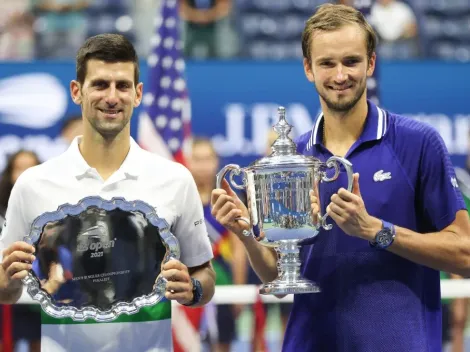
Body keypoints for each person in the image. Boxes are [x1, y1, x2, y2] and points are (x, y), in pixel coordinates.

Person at [211, 4, 470, 352]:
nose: (340, 75)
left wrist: (376, 230)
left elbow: (465, 255)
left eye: (351, 61)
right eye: (327, 63)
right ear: (308, 68)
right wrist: (246, 233)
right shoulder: (292, 158)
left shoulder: (418, 143)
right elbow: (280, 279)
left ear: (371, 63)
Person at [0, 33, 216, 352]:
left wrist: (193, 289)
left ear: (138, 94)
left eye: (122, 86)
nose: (112, 97)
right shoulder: (33, 184)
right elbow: (8, 292)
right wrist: (7, 279)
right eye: (100, 84)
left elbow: (203, 275)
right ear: (77, 91)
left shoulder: (175, 179)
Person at [187, 137, 246, 352]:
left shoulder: (227, 200)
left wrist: (239, 292)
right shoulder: (181, 200)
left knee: (222, 345)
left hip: (223, 284)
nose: (202, 165)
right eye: (197, 159)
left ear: (216, 162)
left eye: (207, 159)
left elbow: (239, 251)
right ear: (188, 162)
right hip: (188, 285)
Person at [0, 150, 41, 352]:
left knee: (40, 342)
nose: (25, 175)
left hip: (41, 292)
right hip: (6, 289)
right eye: (19, 169)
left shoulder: (54, 209)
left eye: (30, 168)